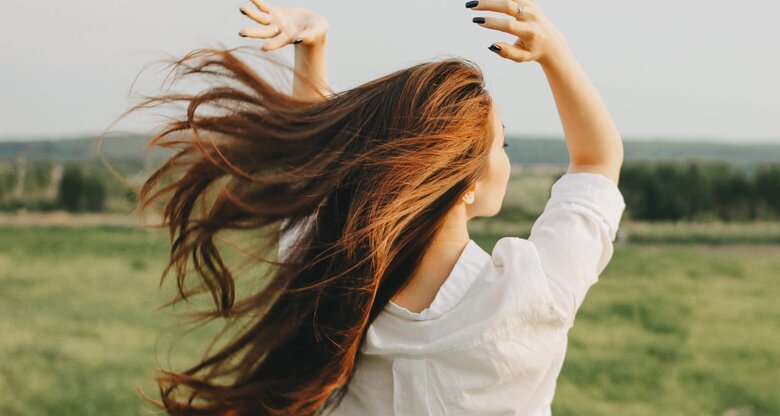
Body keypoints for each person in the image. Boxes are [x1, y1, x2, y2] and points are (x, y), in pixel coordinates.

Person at [128, 0, 626, 415]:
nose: (506, 161)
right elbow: (597, 160)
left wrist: (312, 53)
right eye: (502, 147)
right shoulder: (530, 293)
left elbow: (312, 177)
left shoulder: (331, 280)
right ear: (466, 181)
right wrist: (554, 52)